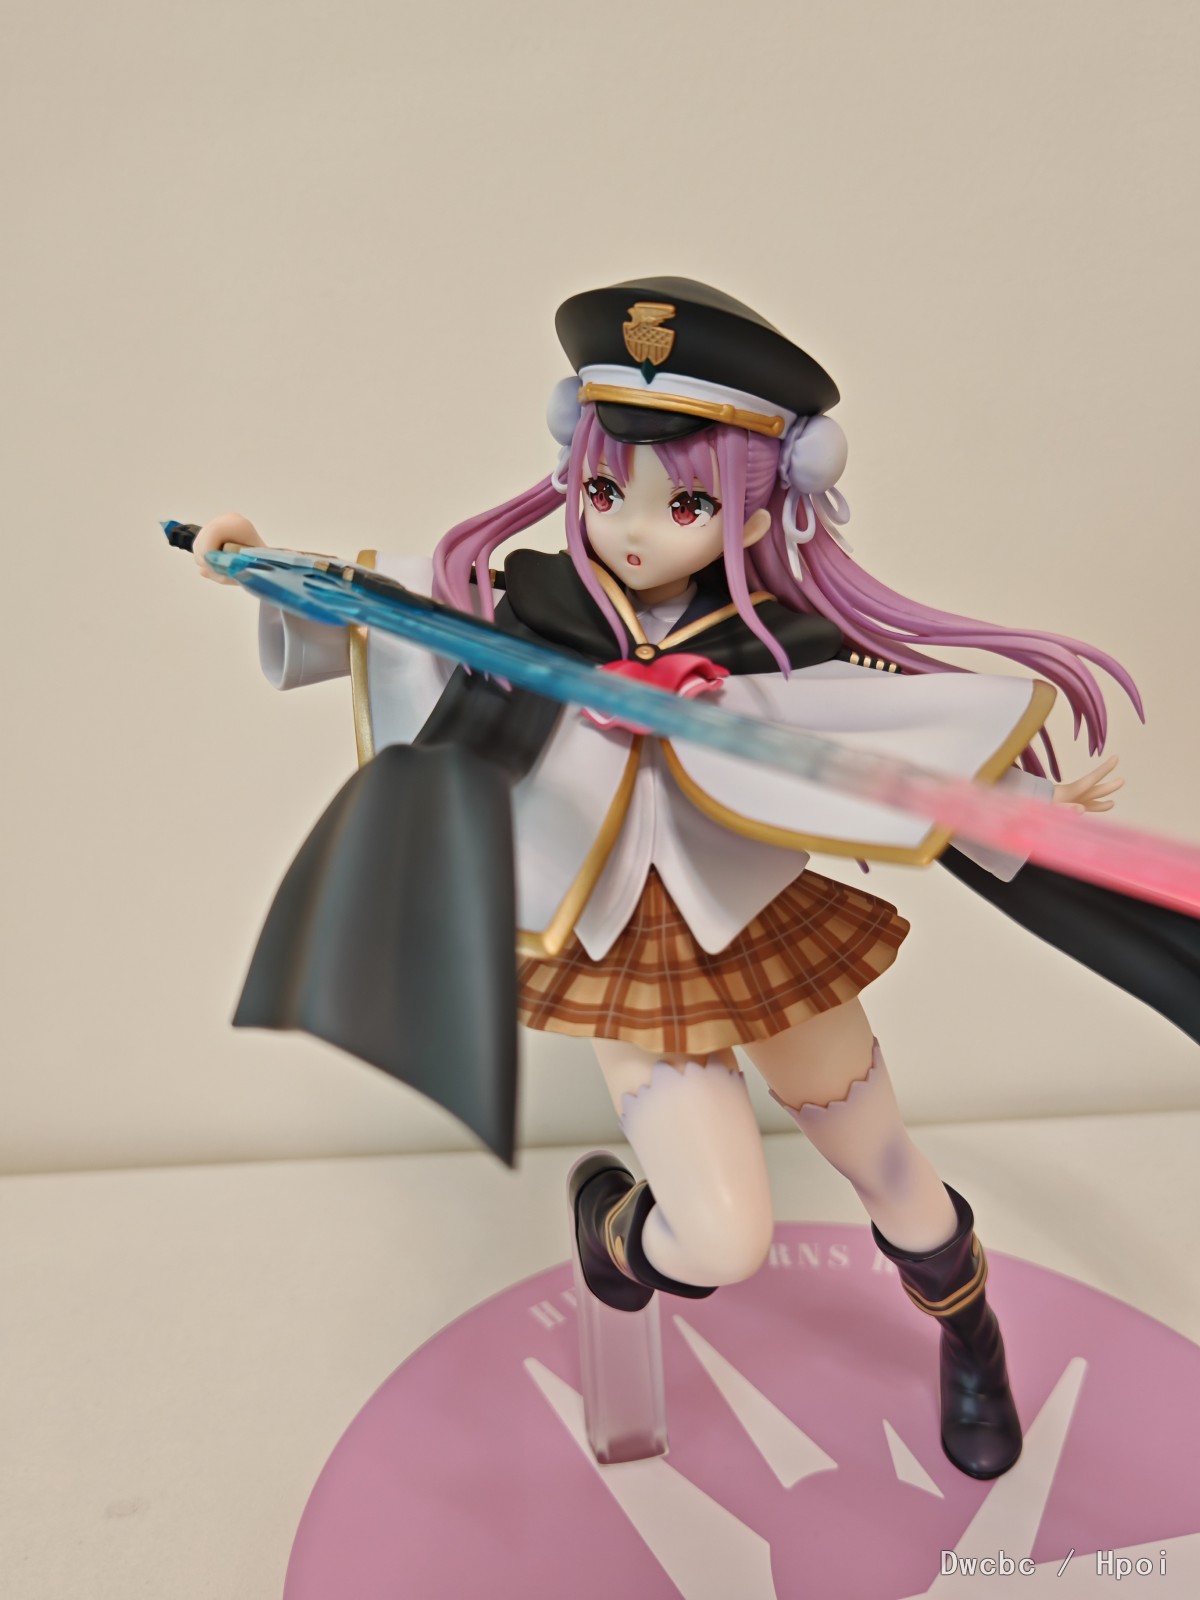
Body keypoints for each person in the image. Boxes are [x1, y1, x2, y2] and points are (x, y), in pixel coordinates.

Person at [189, 278, 1138, 1480]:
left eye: (686, 503)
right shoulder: (522, 612)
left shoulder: (774, 648)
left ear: (763, 502)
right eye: (604, 492)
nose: (635, 530)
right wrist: (260, 567)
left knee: (892, 1170)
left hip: (759, 922)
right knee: (724, 1237)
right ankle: (616, 1232)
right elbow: (382, 621)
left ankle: (971, 1337)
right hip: (621, 951)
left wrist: (1025, 810)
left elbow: (901, 742)